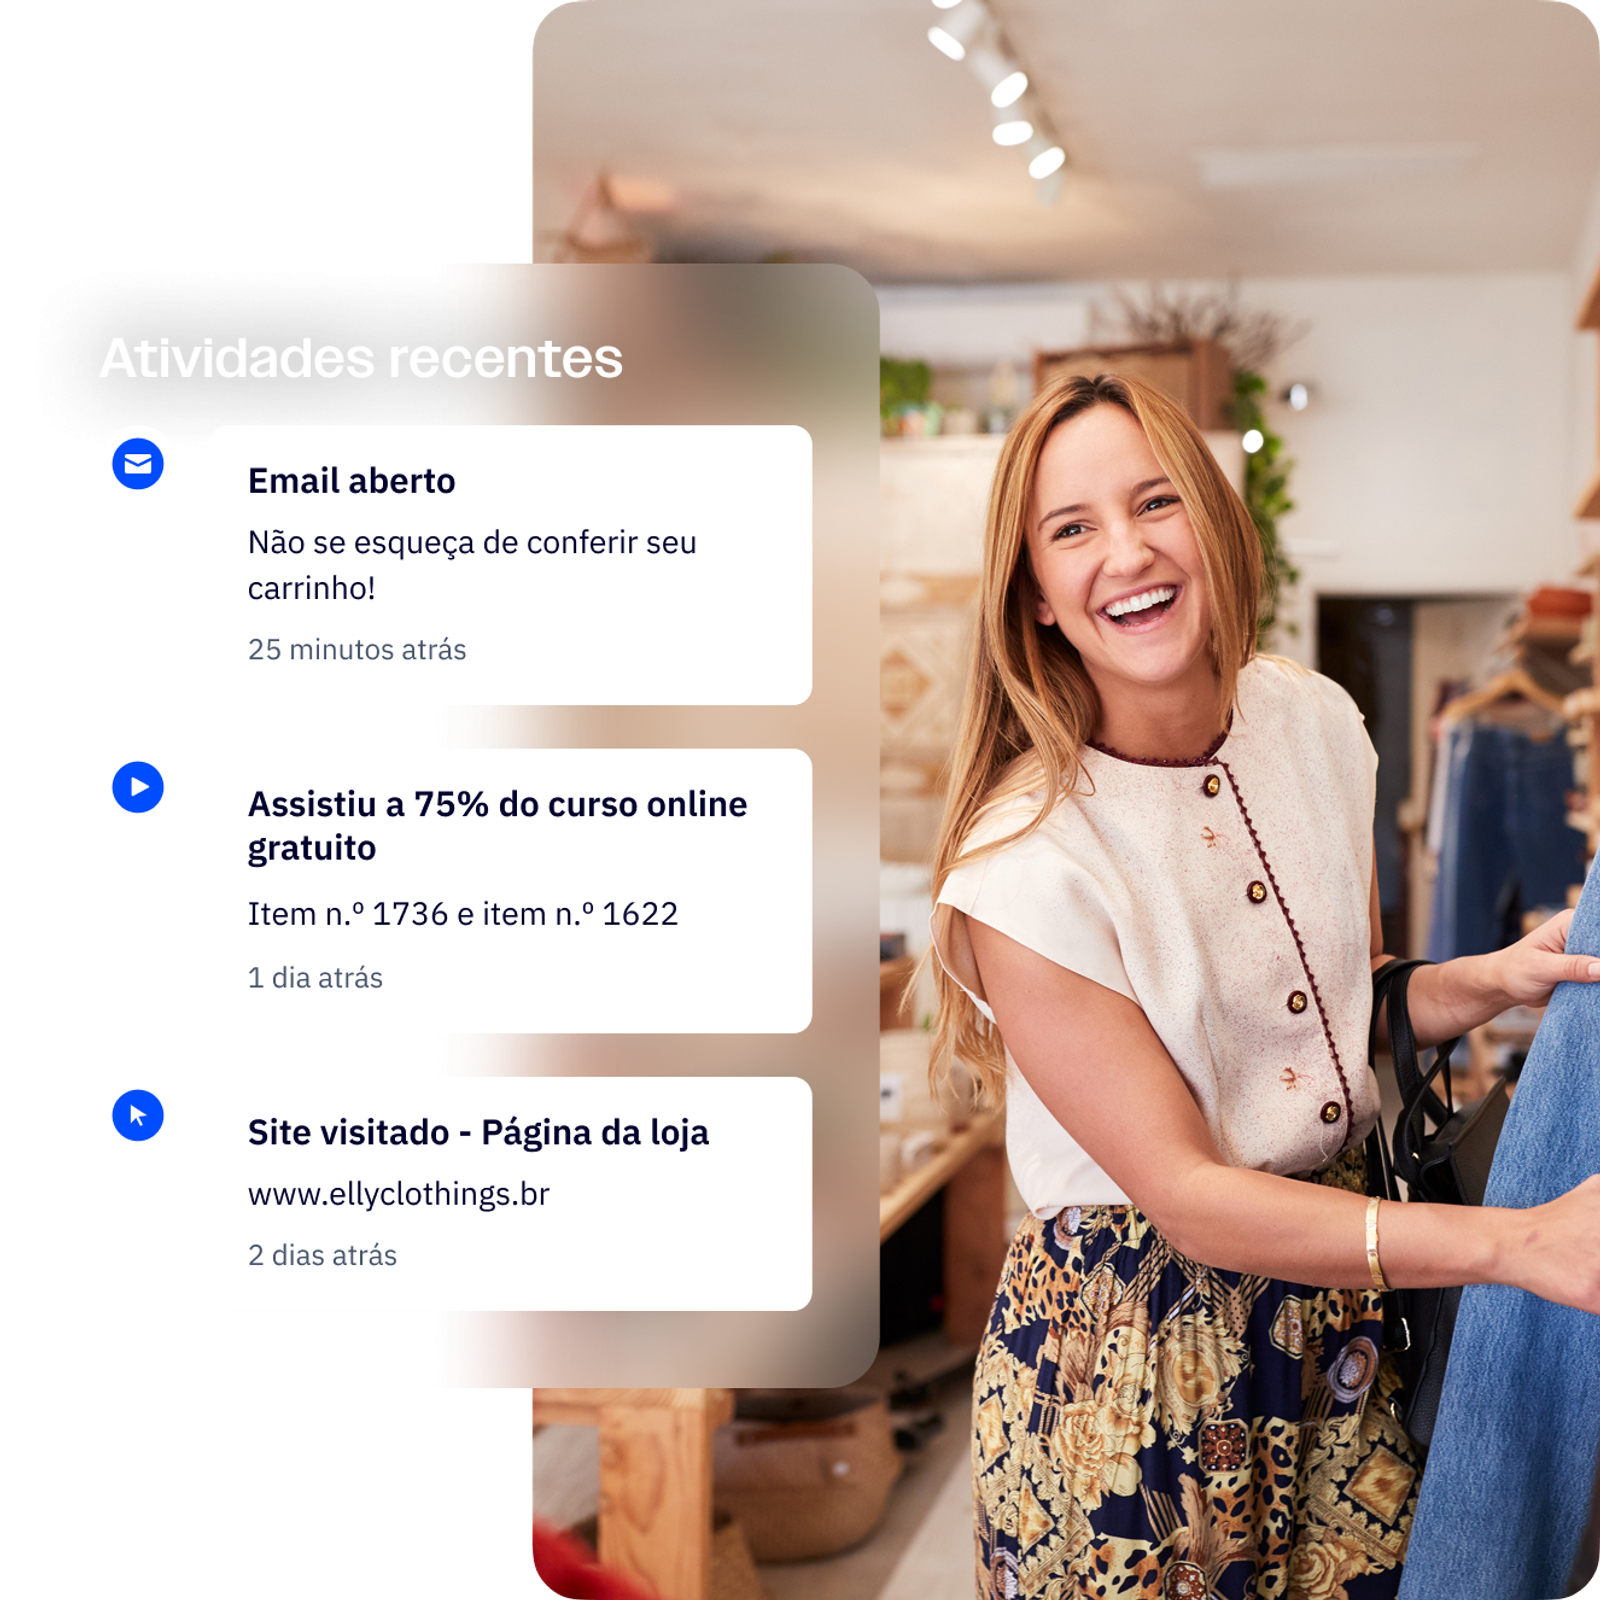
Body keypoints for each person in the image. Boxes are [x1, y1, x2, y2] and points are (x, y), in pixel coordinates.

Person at [925, 371, 1600, 1600]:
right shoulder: (1022, 864)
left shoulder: (1312, 722)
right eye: (1071, 529)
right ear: (1034, 595)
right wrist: (1517, 1243)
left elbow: (1319, 1012)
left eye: (1155, 501)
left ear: (1215, 518)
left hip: (1347, 1318)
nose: (1126, 551)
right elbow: (1189, 1195)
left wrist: (1487, 980)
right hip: (1134, 1370)